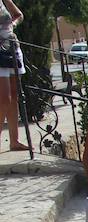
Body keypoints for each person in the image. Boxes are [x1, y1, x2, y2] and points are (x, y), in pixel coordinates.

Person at [0, 0, 29, 152]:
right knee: (4, 99)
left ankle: (14, 141)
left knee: (14, 95)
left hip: (11, 47)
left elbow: (18, 15)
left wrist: (13, 24)